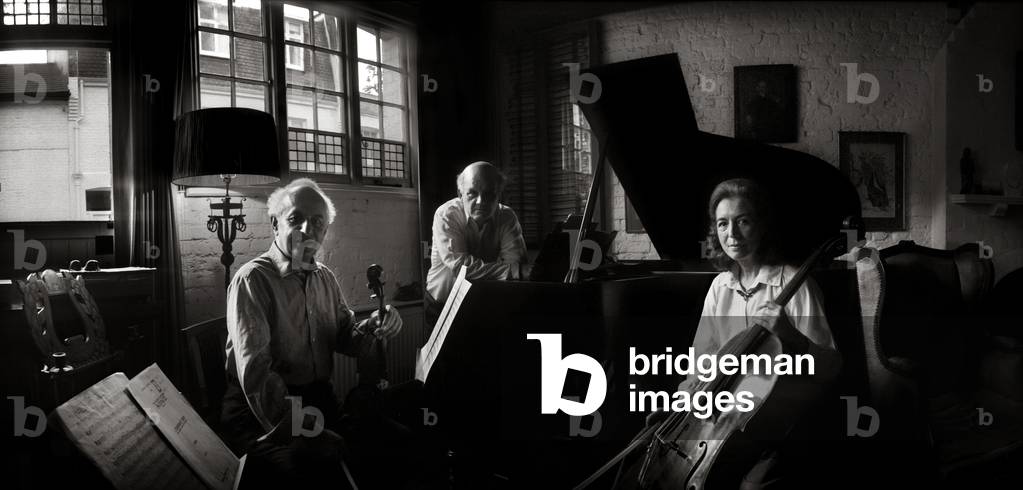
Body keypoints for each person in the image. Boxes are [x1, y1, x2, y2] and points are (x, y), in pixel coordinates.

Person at [221, 178, 405, 489]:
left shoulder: (325, 278)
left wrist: (375, 325)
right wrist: (308, 431)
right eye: (296, 219)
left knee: (390, 444)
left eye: (318, 223)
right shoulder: (251, 280)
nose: (308, 229)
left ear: (325, 231)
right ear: (275, 224)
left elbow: (345, 335)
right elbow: (257, 377)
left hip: (317, 400)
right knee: (312, 472)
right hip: (259, 414)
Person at [674, 178, 841, 489]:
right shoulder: (719, 287)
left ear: (762, 225)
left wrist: (791, 337)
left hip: (782, 425)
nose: (732, 234)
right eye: (723, 223)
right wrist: (680, 410)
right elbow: (700, 364)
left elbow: (832, 367)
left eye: (743, 221)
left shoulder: (795, 284)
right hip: (726, 422)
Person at [425, 161, 529, 328]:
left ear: (499, 194)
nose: (481, 201)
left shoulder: (507, 217)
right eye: (472, 193)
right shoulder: (446, 215)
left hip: (483, 304)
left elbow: (516, 262)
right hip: (442, 304)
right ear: (460, 194)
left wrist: (516, 271)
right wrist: (513, 272)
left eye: (489, 194)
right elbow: (461, 267)